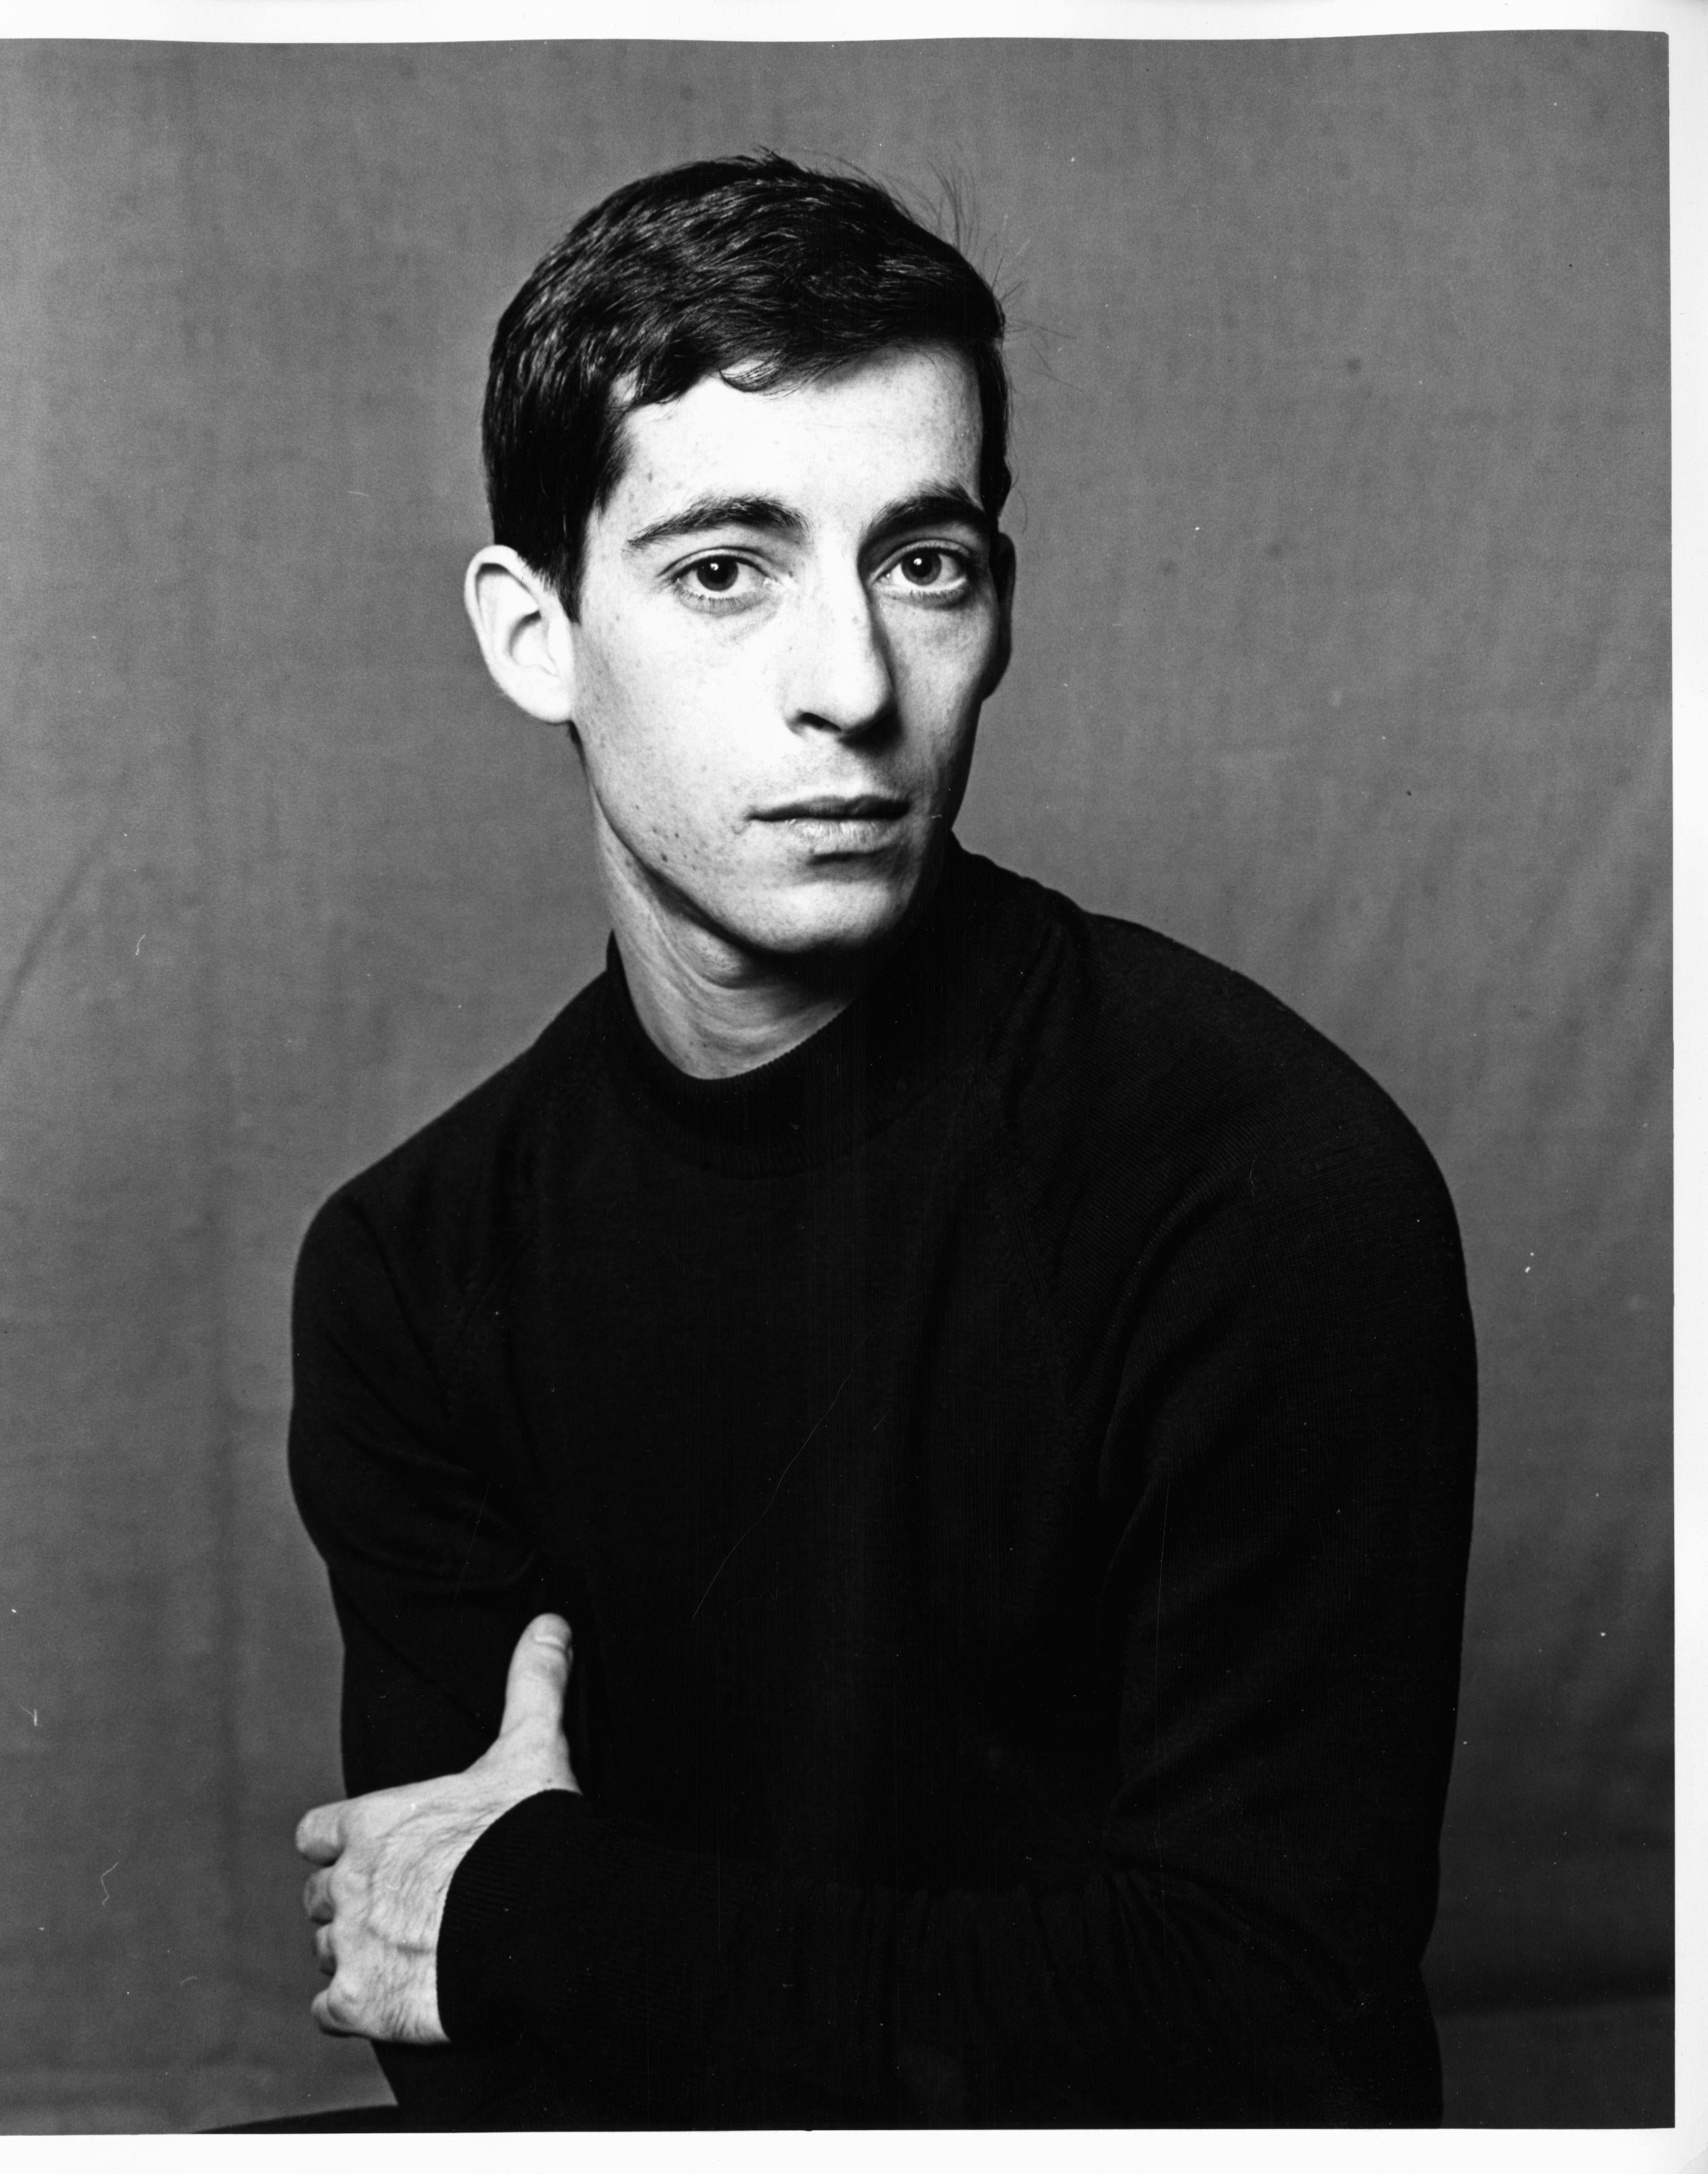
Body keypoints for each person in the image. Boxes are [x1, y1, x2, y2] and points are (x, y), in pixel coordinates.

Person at [288, 152, 1476, 2129]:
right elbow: (447, 2015)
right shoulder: (416, 1266)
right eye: (723, 570)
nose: (852, 688)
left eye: (922, 563)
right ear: (535, 633)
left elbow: (1270, 2034)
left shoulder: (1267, 1181)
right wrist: (514, 1940)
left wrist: (553, 1924)